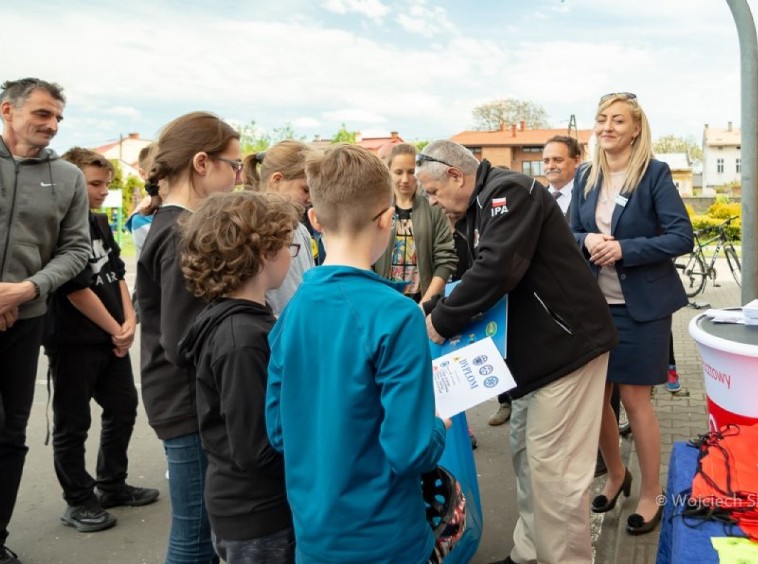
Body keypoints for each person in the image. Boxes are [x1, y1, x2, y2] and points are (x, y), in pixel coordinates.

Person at [418, 140, 618, 564]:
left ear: (456, 175)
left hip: (566, 353)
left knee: (555, 473)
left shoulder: (510, 192)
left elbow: (496, 269)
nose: (432, 204)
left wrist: (439, 323)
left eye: (433, 193)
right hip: (532, 362)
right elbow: (469, 276)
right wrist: (428, 312)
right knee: (528, 459)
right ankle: (529, 553)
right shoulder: (476, 209)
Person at [265, 144, 449, 563]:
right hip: (386, 539)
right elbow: (410, 450)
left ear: (314, 219)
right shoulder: (398, 315)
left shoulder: (291, 311)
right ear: (386, 218)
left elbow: (279, 431)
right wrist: (438, 426)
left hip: (314, 537)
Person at [571, 92, 693, 536]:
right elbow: (569, 232)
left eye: (618, 120)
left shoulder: (653, 174)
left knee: (636, 401)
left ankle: (651, 491)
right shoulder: (586, 175)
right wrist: (586, 241)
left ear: (636, 129)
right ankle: (617, 474)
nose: (607, 127)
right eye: (602, 119)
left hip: (641, 310)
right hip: (594, 307)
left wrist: (625, 249)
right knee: (597, 398)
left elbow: (681, 237)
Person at [137, 111, 241, 563]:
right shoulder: (182, 232)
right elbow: (183, 339)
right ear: (202, 163)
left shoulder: (178, 224)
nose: (239, 175)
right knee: (195, 537)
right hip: (188, 406)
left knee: (200, 533)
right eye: (233, 165)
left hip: (185, 401)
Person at [178, 191, 301, 563]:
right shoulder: (242, 340)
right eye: (288, 247)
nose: (290, 256)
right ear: (263, 253)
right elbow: (256, 449)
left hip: (253, 507)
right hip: (258, 515)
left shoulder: (240, 320)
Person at [43, 148, 159, 533]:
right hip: (74, 341)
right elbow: (76, 289)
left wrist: (128, 321)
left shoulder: (99, 222)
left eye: (106, 184)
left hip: (112, 337)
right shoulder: (58, 224)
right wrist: (115, 327)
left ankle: (112, 484)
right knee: (72, 423)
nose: (102, 191)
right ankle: (78, 500)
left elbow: (116, 273)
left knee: (123, 408)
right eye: (94, 183)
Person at [0, 78, 90, 564]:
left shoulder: (69, 177)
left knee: (11, 433)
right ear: (8, 109)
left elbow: (75, 249)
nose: (52, 125)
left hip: (26, 318)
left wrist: (27, 289)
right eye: (42, 114)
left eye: (58, 117)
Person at [373, 143, 457, 304]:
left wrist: (424, 305)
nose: (405, 179)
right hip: (383, 302)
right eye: (398, 172)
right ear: (389, 172)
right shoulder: (377, 209)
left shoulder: (433, 210)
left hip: (422, 300)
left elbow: (445, 261)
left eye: (411, 172)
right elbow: (367, 258)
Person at [242, 140, 314, 315]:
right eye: (305, 190)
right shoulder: (251, 230)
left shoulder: (301, 230)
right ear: (277, 180)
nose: (311, 199)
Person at [542, 135, 583, 216]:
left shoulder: (588, 198)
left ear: (577, 161)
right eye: (546, 161)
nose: (550, 166)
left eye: (558, 160)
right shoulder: (535, 199)